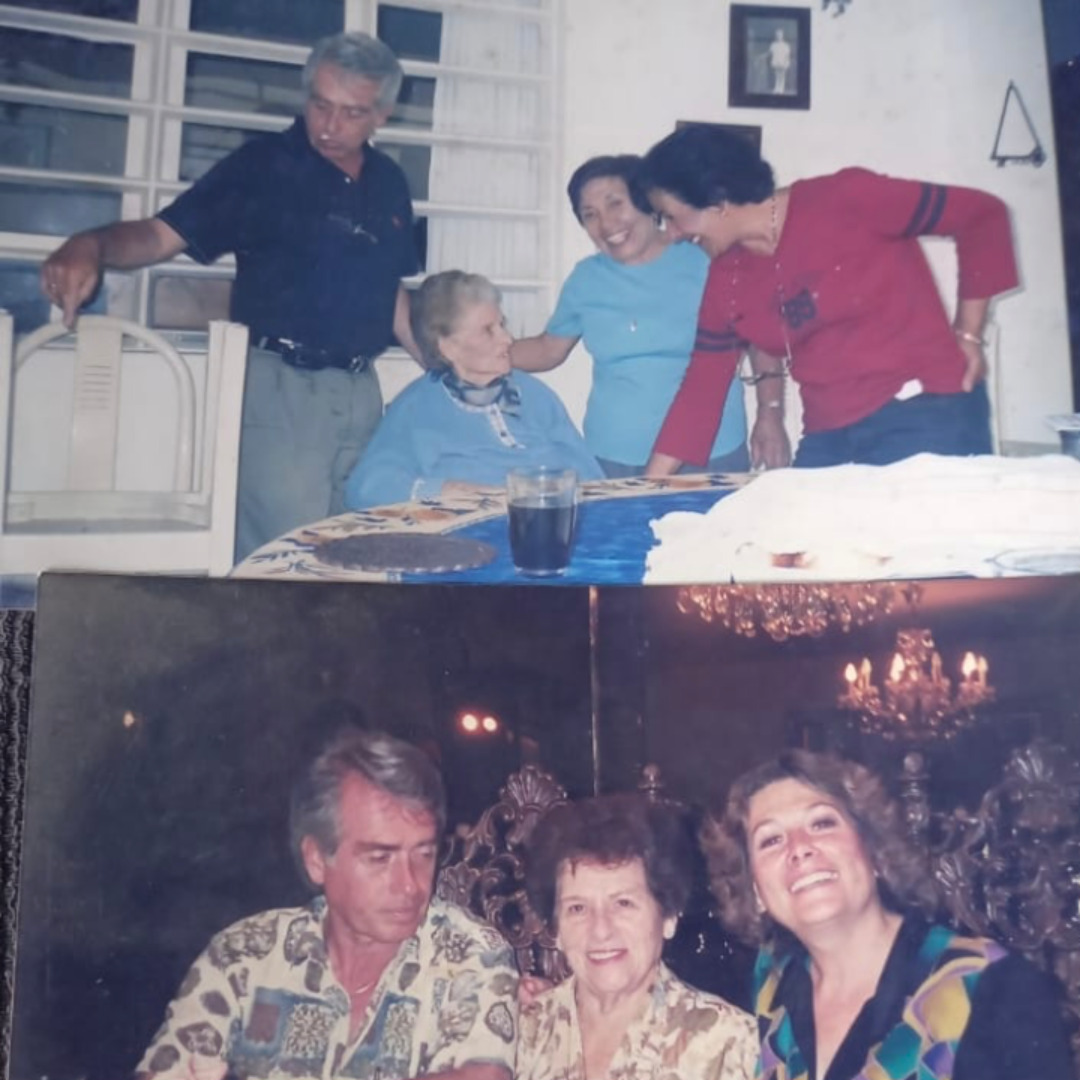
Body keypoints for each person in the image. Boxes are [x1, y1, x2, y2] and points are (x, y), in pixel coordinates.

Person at [39, 32, 421, 562]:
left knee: (357, 553)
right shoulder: (262, 166)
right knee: (283, 560)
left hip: (361, 390)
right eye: (320, 105)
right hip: (280, 388)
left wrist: (444, 367)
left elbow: (389, 290)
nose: (329, 126)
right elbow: (158, 236)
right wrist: (92, 245)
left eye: (352, 113)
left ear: (382, 114)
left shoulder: (389, 182)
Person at [136, 728, 518, 1080]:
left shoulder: (467, 953)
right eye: (380, 858)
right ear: (317, 860)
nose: (410, 884)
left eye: (424, 854)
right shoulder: (243, 956)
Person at [637, 125, 1019, 473]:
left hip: (926, 413)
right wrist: (647, 489)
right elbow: (701, 387)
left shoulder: (844, 199)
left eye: (672, 217)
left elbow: (982, 215)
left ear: (717, 201)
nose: (670, 234)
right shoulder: (728, 276)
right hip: (829, 435)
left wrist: (969, 334)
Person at [702, 749, 1074, 1080]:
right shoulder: (772, 986)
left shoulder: (995, 987)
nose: (799, 848)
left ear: (874, 852)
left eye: (822, 823)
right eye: (771, 840)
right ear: (755, 890)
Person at [511, 155, 748, 478]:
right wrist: (470, 352)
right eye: (590, 214)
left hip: (711, 450)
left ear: (648, 203)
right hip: (615, 456)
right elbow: (548, 349)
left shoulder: (704, 260)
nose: (606, 223)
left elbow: (758, 333)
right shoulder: (586, 279)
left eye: (615, 204)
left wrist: (771, 412)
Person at [516, 794, 756, 1080]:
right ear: (556, 928)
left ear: (668, 917)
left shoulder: (729, 1044)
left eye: (623, 903)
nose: (601, 930)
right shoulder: (521, 1034)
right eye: (577, 908)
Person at [345, 270, 602, 509]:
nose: (507, 339)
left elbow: (592, 477)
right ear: (448, 348)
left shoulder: (533, 393)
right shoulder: (418, 406)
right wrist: (445, 490)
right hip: (468, 529)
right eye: (488, 331)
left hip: (546, 520)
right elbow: (366, 487)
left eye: (502, 325)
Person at [768, 29, 792, 94]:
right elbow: (770, 53)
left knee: (782, 75)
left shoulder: (785, 45)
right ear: (776, 36)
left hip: (783, 61)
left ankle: (781, 88)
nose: (779, 36)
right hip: (776, 61)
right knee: (777, 75)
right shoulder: (773, 45)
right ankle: (776, 88)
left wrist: (786, 62)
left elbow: (787, 55)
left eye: (780, 35)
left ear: (782, 35)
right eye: (777, 35)